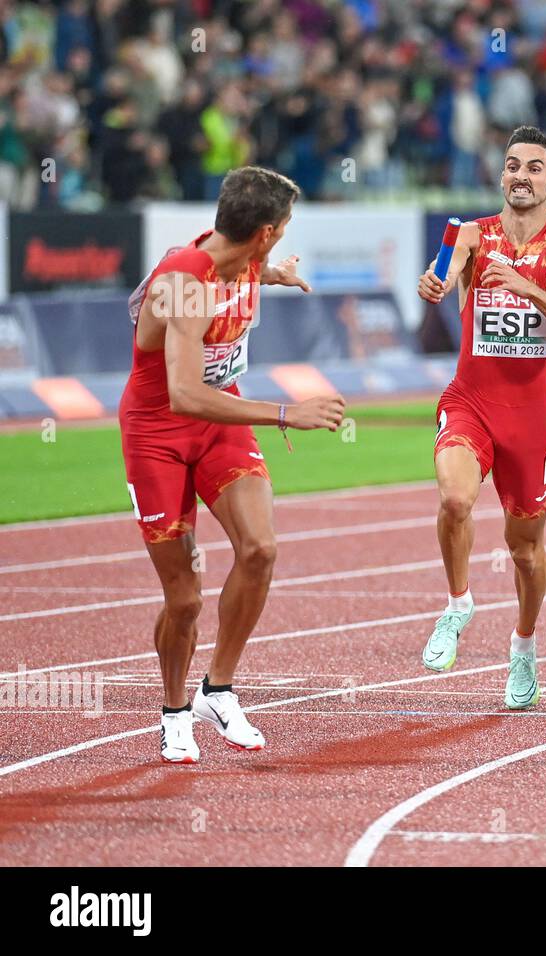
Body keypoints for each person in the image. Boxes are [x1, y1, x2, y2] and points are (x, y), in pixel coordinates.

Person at [120, 165, 346, 762]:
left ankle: (216, 689)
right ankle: (173, 713)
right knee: (185, 597)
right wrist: (284, 415)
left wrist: (274, 275)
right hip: (160, 434)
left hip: (219, 426)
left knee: (260, 549)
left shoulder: (242, 256)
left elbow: (245, 272)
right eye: (285, 229)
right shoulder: (183, 282)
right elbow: (185, 395)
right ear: (268, 230)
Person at [416, 126, 546, 709]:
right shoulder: (474, 234)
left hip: (530, 418)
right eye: (513, 165)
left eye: (535, 167)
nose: (522, 175)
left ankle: (523, 644)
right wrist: (436, 280)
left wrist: (527, 287)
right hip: (469, 400)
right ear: (502, 175)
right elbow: (444, 269)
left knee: (525, 550)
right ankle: (457, 603)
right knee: (454, 501)